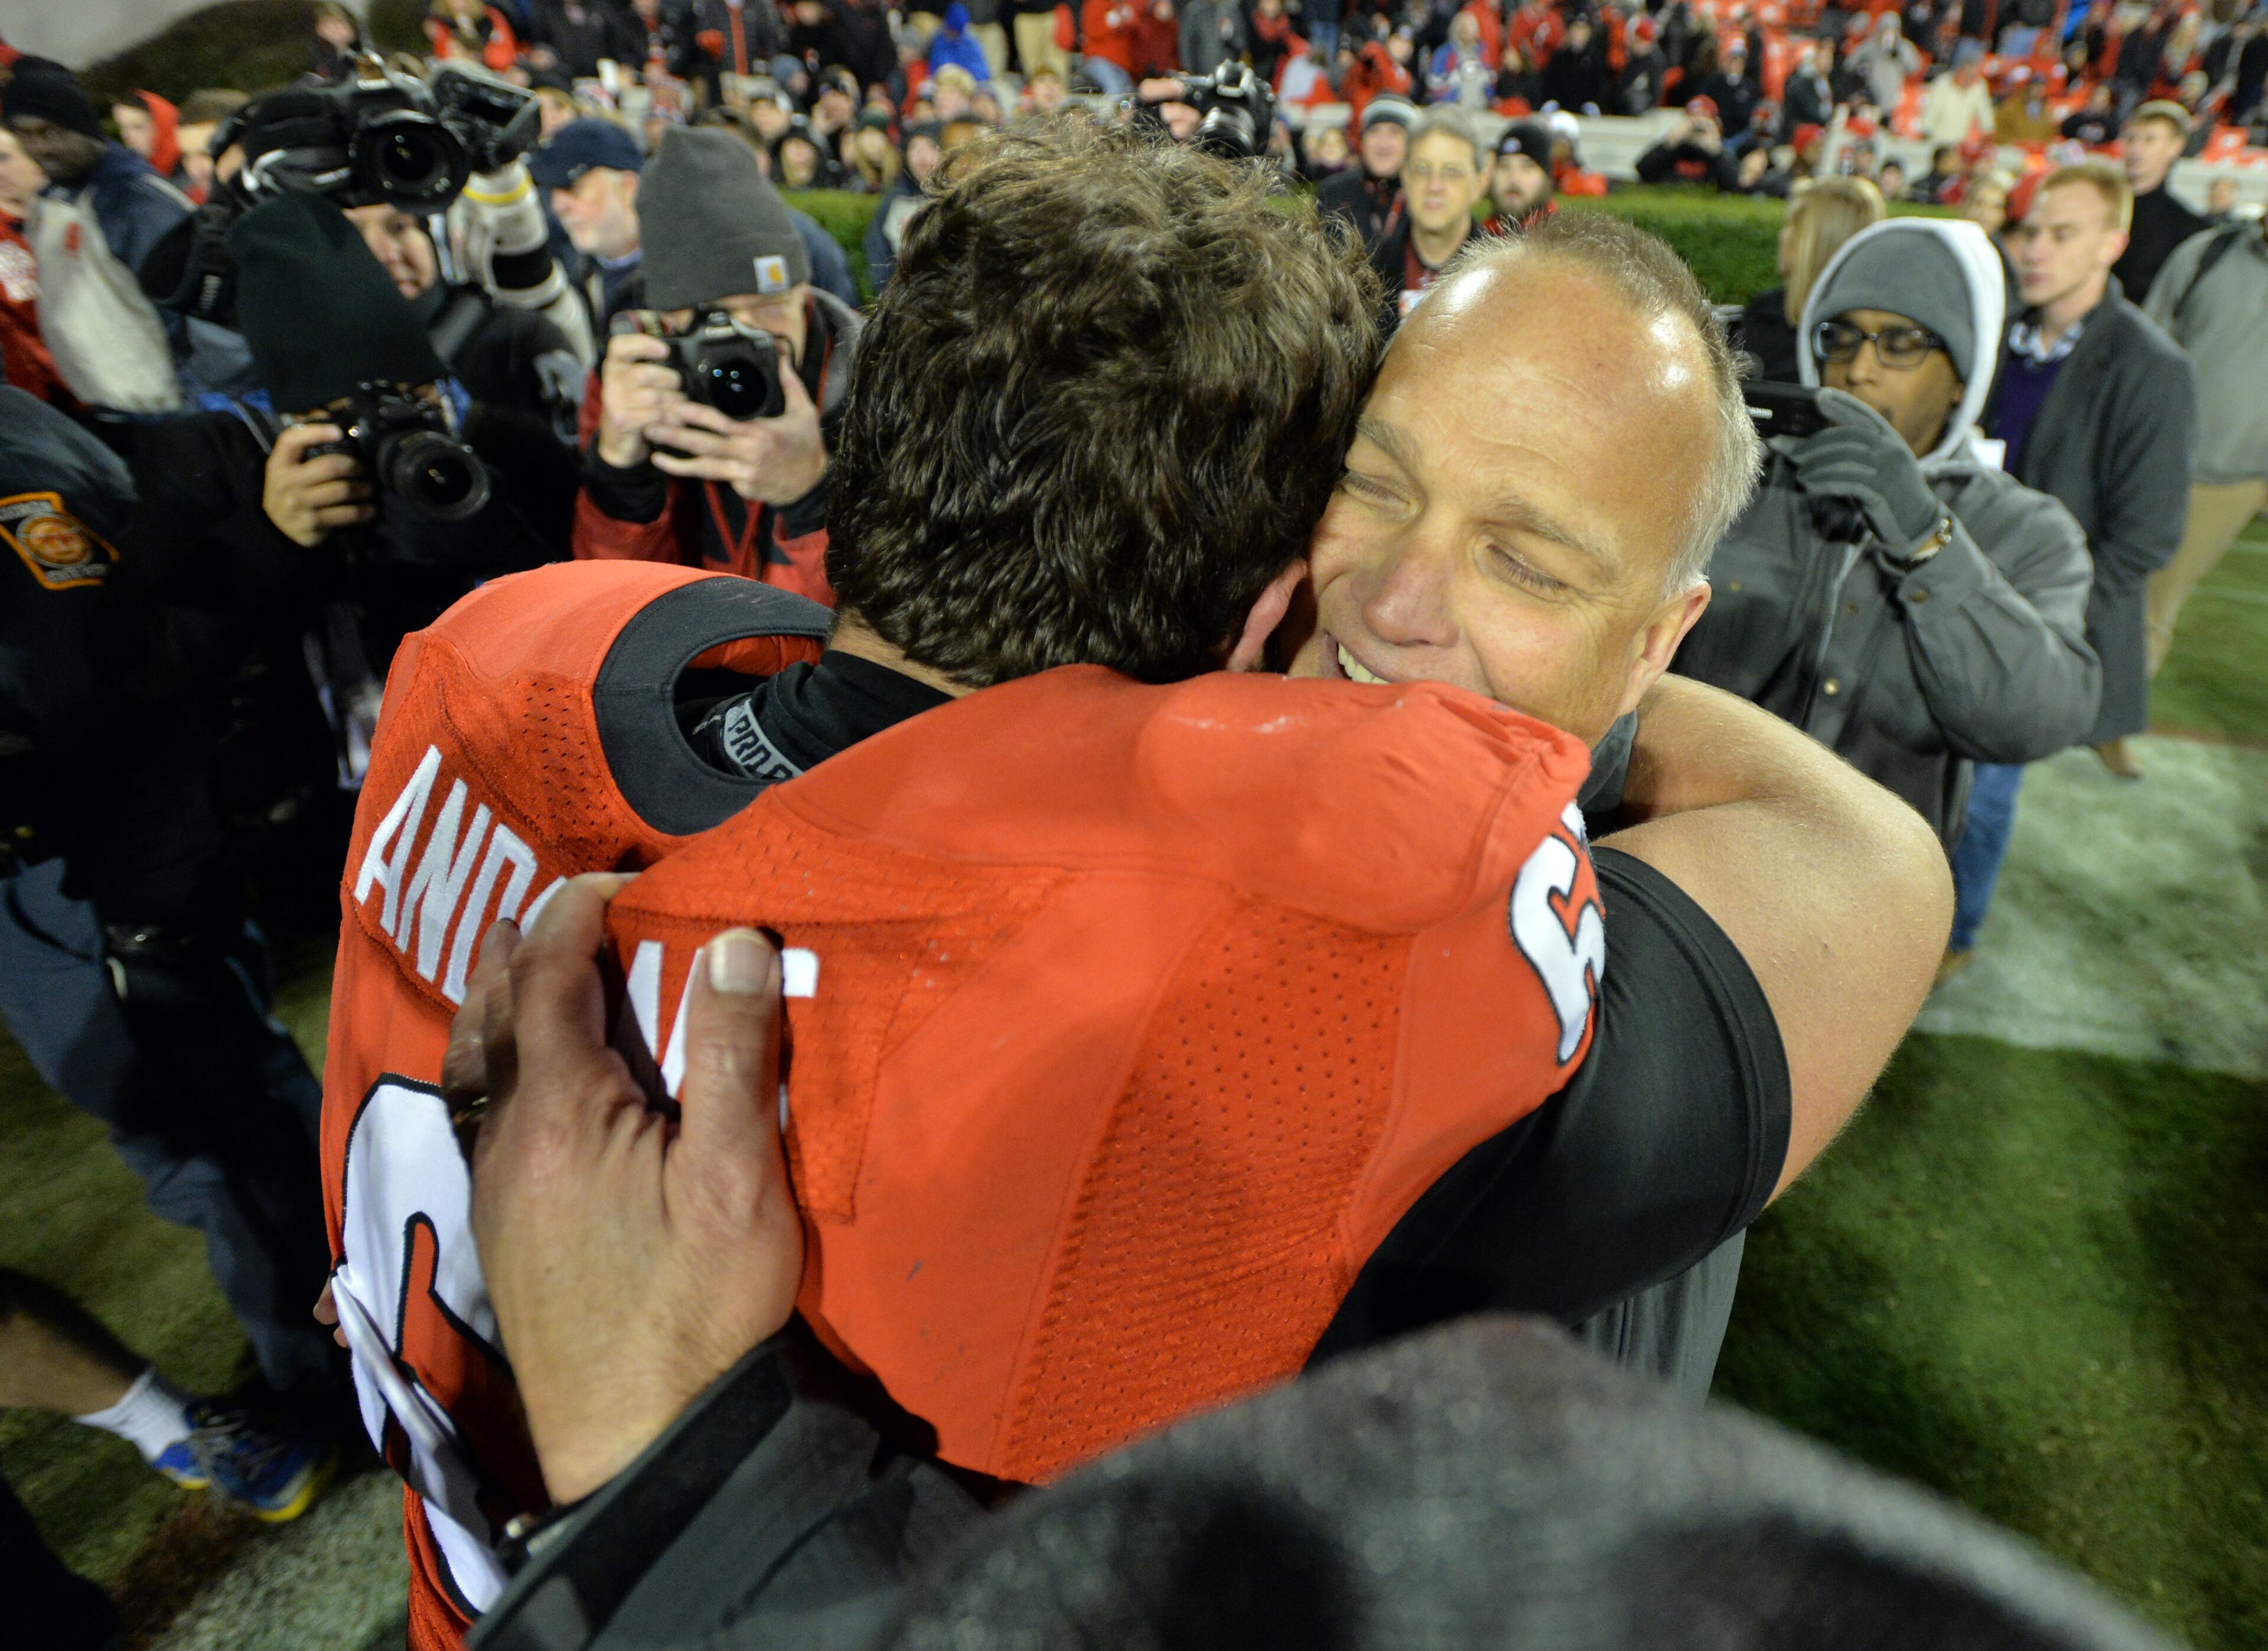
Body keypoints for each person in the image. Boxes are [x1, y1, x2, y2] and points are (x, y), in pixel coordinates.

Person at [327, 125, 1947, 1646]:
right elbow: (1864, 867)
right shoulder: (1265, 976)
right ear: (1257, 603)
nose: (1389, 597)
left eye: (1526, 557)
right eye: (1366, 488)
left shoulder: (494, 660)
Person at [1, 380, 348, 1444]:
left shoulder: (13, 450)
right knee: (234, 1114)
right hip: (120, 850)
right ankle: (346, 1329)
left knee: (208, 1134)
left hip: (85, 863)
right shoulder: (23, 415)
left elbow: (93, 680)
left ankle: (338, 1375)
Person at [1676, 219, 2101, 845]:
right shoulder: (1741, 478)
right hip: (1686, 842)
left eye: (1901, 342)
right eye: (1840, 338)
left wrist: (1928, 540)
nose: (1859, 369)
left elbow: (2036, 721)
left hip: (1875, 886)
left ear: (1964, 372)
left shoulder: (2028, 528)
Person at [1947, 162, 2199, 975]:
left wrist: (2045, 613)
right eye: (2031, 230)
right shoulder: (1994, 333)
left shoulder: (2153, 366)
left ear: (2113, 243)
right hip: (1945, 589)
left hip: (2029, 625)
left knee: (1985, 794)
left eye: (2063, 233)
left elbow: (2149, 536)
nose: (2037, 250)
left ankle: (1954, 931)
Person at [574, 126, 861, 597]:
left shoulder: (880, 380)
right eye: (715, 316)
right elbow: (615, 606)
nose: (746, 335)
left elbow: (896, 627)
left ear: (801, 293)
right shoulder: (636, 381)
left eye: (769, 306)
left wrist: (812, 497)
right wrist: (620, 475)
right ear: (668, 321)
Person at [0, 56, 202, 412]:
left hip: (169, 411)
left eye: (51, 132)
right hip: (107, 408)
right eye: (26, 136)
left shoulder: (134, 202)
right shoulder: (53, 201)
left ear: (82, 126)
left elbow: (195, 320)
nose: (40, 148)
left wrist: (199, 409)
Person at [2140, 211, 2268, 676]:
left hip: (2232, 482)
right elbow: (2146, 347)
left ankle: (2107, 725)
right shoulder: (2206, 254)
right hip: (2153, 460)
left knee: (2155, 609)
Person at [1738, 175, 1885, 383]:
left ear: (1813, 243)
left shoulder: (1768, 318)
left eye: (1790, 224)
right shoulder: (1880, 335)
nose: (1783, 235)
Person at [1371, 109, 1486, 315]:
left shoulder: (1504, 278)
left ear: (1479, 184)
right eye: (1422, 169)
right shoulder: (1369, 271)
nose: (1434, 186)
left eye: (1452, 171)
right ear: (1405, 177)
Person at [2111, 100, 2211, 300]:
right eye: (2131, 139)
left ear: (2175, 147)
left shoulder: (2189, 229)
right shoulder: (2099, 208)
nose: (2136, 150)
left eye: (2149, 140)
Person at [1315, 95, 1414, 252]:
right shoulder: (1332, 193)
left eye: (1395, 133)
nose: (1383, 143)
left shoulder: (1424, 196)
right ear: (1362, 140)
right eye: (1374, 132)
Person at [1636, 96, 1741, 190]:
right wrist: (1671, 142)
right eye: (1692, 117)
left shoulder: (1719, 155)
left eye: (1704, 117)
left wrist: (1715, 150)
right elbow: (1643, 170)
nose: (1697, 123)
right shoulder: (1673, 148)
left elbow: (1732, 185)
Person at [1481, 120, 1555, 233]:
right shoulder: (1476, 238)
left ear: (1547, 178)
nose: (1514, 179)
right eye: (1504, 167)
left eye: (1527, 167)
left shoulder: (1569, 242)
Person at [1919, 43, 1995, 146]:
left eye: (1975, 75)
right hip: (1938, 142)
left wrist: (1989, 130)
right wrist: (1926, 132)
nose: (1972, 79)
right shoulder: (1943, 84)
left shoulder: (1979, 87)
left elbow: (1985, 112)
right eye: (1969, 74)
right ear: (1961, 70)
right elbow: (1931, 111)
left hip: (1961, 145)